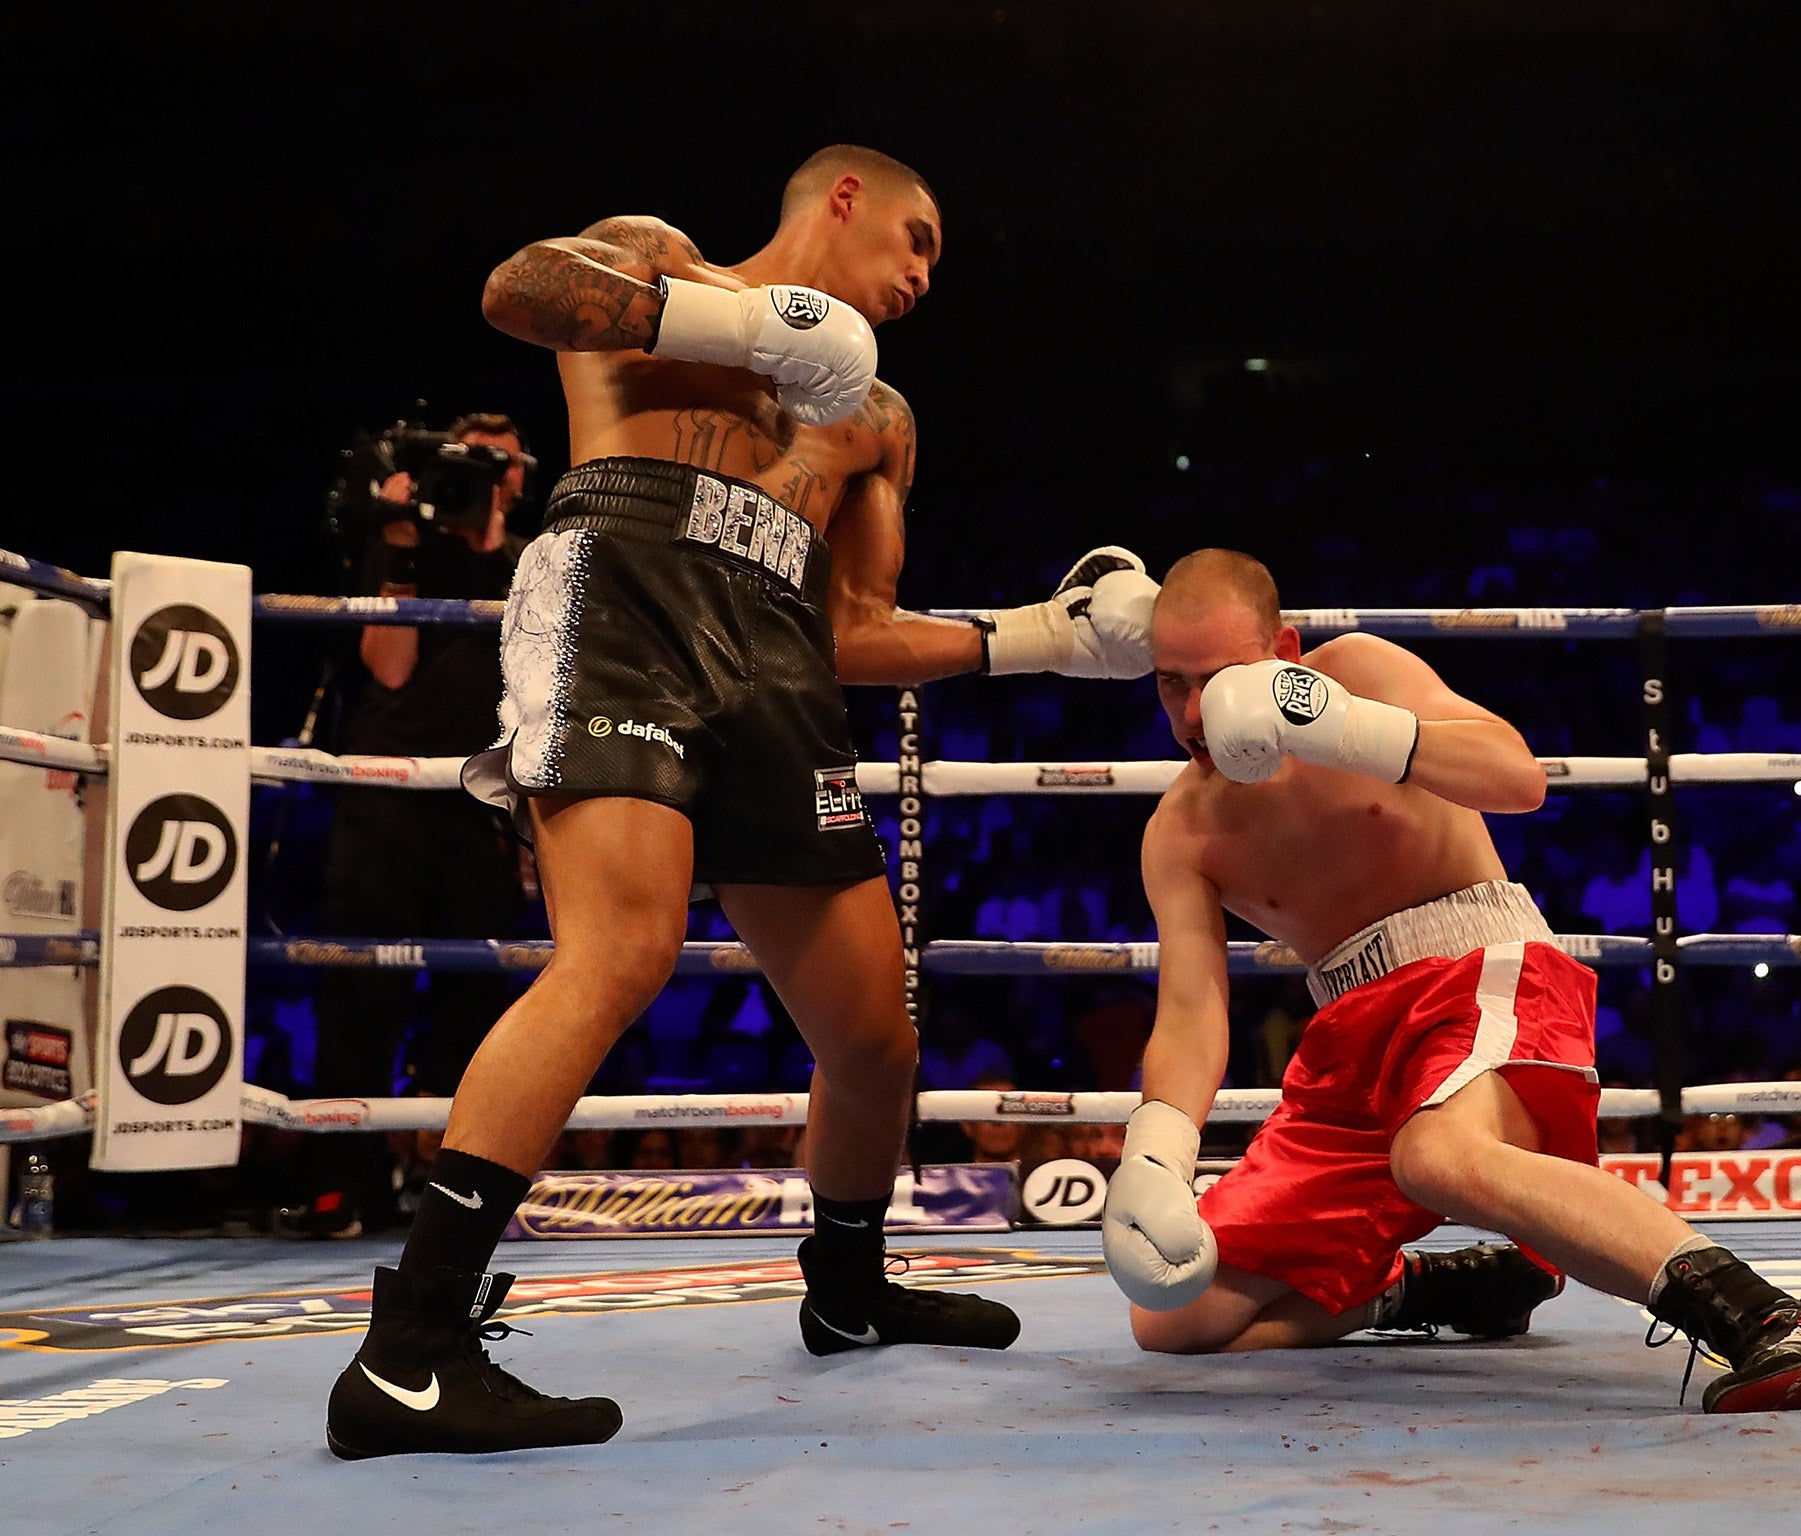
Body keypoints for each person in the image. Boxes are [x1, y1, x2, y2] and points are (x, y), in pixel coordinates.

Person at [326, 144, 1161, 1459]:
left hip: (774, 657)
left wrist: (1040, 637)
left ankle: (846, 1292)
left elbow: (856, 630)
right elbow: (519, 288)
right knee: (621, 949)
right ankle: (412, 1349)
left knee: (873, 1033)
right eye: (917, 238)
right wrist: (744, 320)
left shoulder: (876, 420)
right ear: (841, 201)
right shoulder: (666, 259)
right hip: (622, 591)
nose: (925, 273)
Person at [1102, 549, 1801, 1413]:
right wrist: (1156, 1149)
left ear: (1283, 651)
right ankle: (1442, 1290)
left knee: (1437, 1155)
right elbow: (1192, 1010)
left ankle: (1769, 1322)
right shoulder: (1181, 832)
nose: (1192, 713)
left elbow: (1518, 779)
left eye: (1217, 680)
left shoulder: (1361, 672)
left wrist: (1339, 723)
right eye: (1170, 683)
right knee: (1178, 1312)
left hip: (1481, 969)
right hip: (1350, 1046)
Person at [279, 413, 532, 1238]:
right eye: (472, 461)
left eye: (499, 462)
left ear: (520, 474)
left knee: (477, 1005)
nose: (483, 476)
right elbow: (388, 665)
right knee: (362, 993)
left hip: (482, 801)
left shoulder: (536, 564)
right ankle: (337, 1185)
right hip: (387, 793)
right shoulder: (402, 546)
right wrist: (396, 534)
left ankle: (453, 1193)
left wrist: (489, 528)